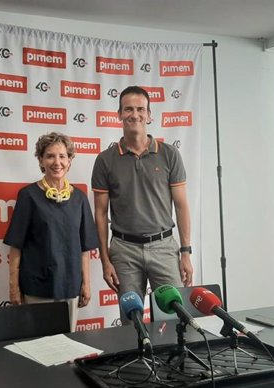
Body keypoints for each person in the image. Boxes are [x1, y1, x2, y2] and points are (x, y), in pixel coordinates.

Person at [91, 86, 193, 323]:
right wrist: (105, 261)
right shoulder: (105, 160)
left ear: (149, 115)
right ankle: (139, 361)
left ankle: (174, 362)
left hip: (164, 247)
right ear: (119, 114)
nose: (134, 114)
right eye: (128, 109)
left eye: (140, 109)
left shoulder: (169, 154)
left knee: (174, 321)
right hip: (124, 250)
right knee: (131, 324)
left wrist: (186, 252)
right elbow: (99, 213)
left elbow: (181, 205)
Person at [4, 132, 99, 332]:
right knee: (39, 348)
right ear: (41, 160)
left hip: (70, 285)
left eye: (62, 156)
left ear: (70, 160)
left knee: (68, 346)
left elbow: (84, 249)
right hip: (37, 286)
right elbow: (16, 247)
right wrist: (14, 287)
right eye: (50, 156)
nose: (57, 162)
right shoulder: (28, 196)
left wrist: (86, 284)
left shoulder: (80, 199)